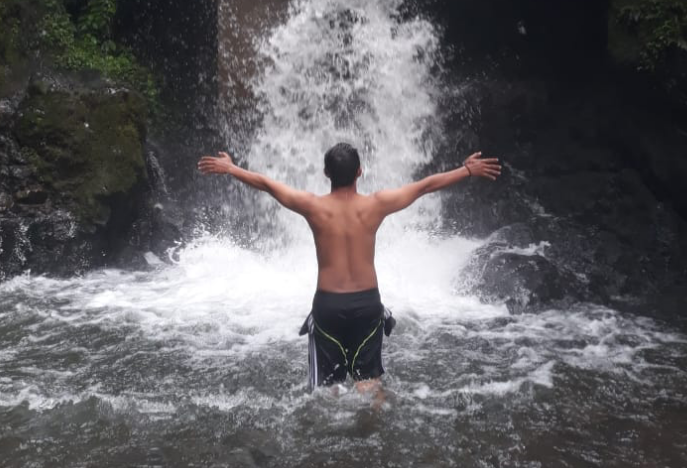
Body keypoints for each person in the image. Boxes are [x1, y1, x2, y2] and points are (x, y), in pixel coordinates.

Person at [197, 143, 502, 395]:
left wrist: (231, 168)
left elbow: (266, 184)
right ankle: (372, 438)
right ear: (360, 172)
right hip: (367, 303)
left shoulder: (312, 205)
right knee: (369, 384)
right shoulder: (377, 204)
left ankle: (330, 453)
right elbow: (425, 187)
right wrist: (466, 170)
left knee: (326, 389)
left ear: (326, 173)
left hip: (328, 305)